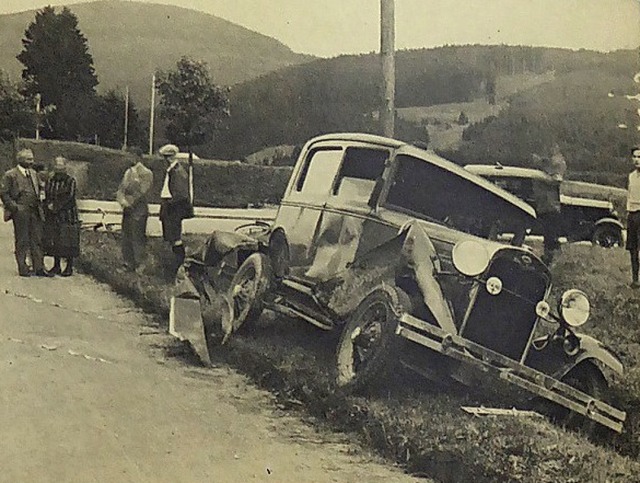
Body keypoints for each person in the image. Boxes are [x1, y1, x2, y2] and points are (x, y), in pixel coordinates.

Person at [0, 148, 52, 277]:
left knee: (37, 239)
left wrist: (41, 194)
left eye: (32, 159)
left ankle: (39, 267)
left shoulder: (34, 173)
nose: (31, 162)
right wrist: (14, 207)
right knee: (22, 240)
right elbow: (4, 193)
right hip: (20, 211)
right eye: (28, 159)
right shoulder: (10, 175)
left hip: (35, 210)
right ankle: (23, 268)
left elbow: (39, 188)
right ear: (20, 160)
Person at [158, 143, 193, 278]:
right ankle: (174, 266)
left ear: (170, 157)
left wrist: (170, 205)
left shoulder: (178, 172)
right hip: (169, 208)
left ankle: (178, 267)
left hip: (173, 210)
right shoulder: (172, 171)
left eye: (166, 157)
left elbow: (181, 195)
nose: (165, 160)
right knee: (171, 238)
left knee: (175, 238)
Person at [116, 149, 153, 272]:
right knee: (126, 236)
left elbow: (142, 192)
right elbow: (121, 189)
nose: (128, 158)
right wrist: (122, 201)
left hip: (139, 210)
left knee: (137, 236)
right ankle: (128, 263)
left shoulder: (146, 173)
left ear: (137, 156)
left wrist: (130, 202)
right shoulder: (128, 172)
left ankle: (139, 264)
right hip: (127, 209)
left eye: (130, 156)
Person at [43, 156, 80, 276]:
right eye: (57, 165)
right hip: (53, 216)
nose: (59, 168)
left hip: (68, 215)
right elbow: (47, 194)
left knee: (69, 241)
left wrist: (56, 207)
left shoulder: (71, 181)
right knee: (55, 240)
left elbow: (70, 197)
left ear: (65, 167)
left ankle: (69, 267)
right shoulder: (50, 180)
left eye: (61, 166)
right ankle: (56, 265)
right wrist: (48, 205)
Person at [626, 146, 640, 288]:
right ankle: (635, 279)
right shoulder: (631, 176)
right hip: (632, 214)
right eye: (635, 157)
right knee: (633, 248)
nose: (637, 160)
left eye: (639, 157)